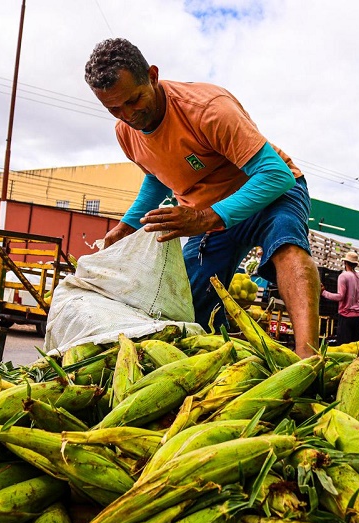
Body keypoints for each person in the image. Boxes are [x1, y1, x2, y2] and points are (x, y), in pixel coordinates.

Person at [84, 38, 320, 357]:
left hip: (268, 193)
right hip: (209, 215)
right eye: (114, 108)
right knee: (187, 300)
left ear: (152, 76)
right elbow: (157, 176)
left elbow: (275, 174)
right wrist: (127, 225)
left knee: (287, 245)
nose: (128, 114)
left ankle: (309, 357)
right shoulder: (126, 132)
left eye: (134, 99)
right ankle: (224, 360)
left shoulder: (208, 109)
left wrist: (205, 218)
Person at [321, 251, 359, 344]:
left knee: (344, 347)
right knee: (356, 346)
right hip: (358, 317)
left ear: (345, 263)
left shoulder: (344, 276)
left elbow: (340, 297)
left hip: (346, 317)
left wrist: (323, 292)